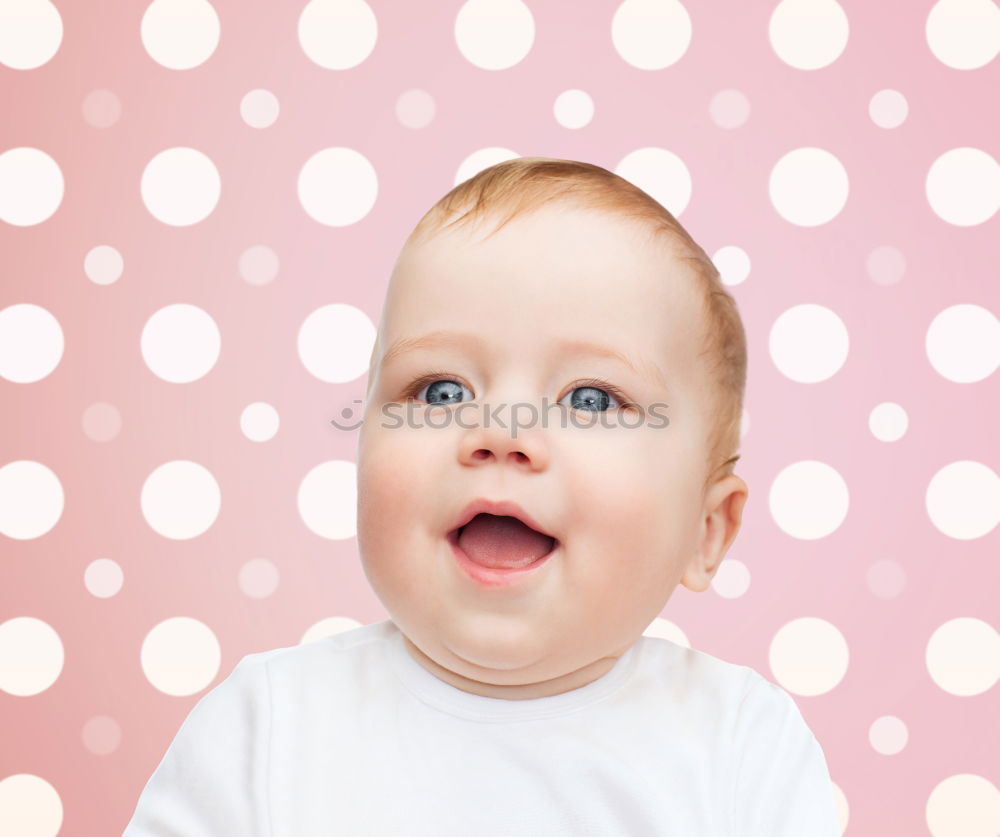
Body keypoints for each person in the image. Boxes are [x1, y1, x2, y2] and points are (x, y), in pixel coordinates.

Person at [122, 157, 840, 835]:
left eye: (590, 399)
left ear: (706, 530)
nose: (501, 430)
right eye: (440, 390)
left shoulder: (741, 743)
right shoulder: (267, 724)